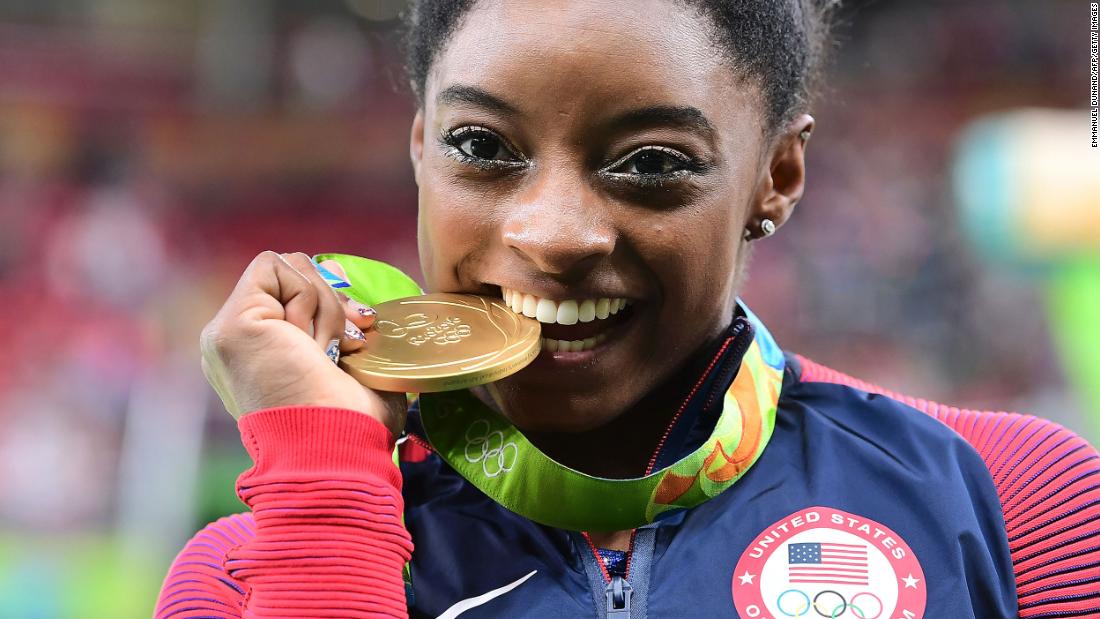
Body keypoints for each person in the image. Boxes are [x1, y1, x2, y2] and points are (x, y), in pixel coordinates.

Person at [155, 1, 1100, 617]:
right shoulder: (248, 573)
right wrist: (328, 488)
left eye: (651, 162)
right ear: (419, 147)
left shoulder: (1015, 501)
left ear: (777, 174)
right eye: (482, 145)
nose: (554, 234)